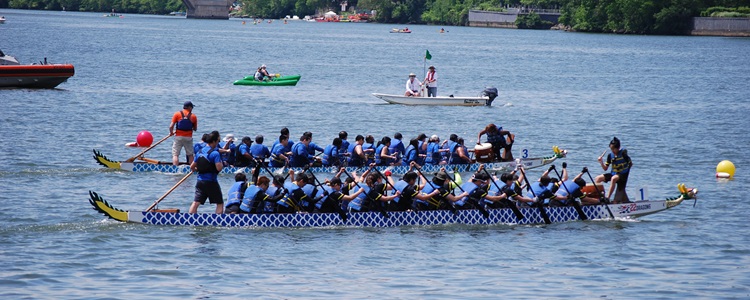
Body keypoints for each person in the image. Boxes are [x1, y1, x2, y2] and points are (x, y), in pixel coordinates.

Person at [188, 131, 224, 214]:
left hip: (200, 181)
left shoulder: (199, 152)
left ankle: (190, 218)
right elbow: (218, 168)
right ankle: (218, 221)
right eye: (218, 141)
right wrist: (222, 164)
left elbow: (192, 167)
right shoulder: (215, 153)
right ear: (214, 141)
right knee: (219, 203)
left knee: (196, 202)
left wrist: (198, 169)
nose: (218, 143)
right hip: (211, 181)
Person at [595, 137, 633, 203]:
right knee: (598, 178)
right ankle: (600, 199)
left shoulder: (623, 154)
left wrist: (625, 173)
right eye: (611, 149)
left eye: (613, 149)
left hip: (622, 175)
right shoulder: (610, 156)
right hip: (614, 173)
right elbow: (605, 168)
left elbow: (630, 164)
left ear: (618, 148)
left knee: (613, 179)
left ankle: (607, 198)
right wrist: (601, 162)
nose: (612, 150)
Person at [169, 101, 198, 166]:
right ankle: (192, 168)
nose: (192, 108)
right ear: (189, 107)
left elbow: (171, 126)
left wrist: (171, 132)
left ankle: (175, 168)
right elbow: (195, 129)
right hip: (188, 138)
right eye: (192, 107)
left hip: (178, 137)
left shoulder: (177, 114)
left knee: (175, 154)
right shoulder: (193, 116)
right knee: (190, 154)